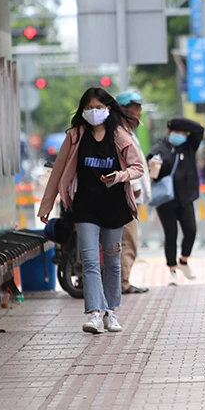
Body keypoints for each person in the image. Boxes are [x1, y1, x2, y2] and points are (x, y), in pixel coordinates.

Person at [37, 87, 144, 334]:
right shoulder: (75, 136)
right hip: (85, 207)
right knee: (90, 261)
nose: (93, 112)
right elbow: (59, 171)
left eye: (98, 107)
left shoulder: (119, 134)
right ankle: (95, 313)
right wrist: (47, 205)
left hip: (115, 207)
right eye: (88, 107)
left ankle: (111, 312)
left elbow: (138, 167)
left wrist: (119, 176)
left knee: (113, 262)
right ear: (82, 110)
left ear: (108, 108)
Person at [146, 117, 205, 286]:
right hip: (166, 200)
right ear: (169, 132)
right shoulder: (158, 150)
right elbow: (150, 174)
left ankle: (183, 261)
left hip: (186, 197)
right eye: (177, 132)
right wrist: (152, 167)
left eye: (183, 133)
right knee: (171, 234)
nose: (181, 135)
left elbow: (199, 129)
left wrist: (175, 122)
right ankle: (172, 270)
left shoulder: (189, 147)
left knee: (191, 230)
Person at [115, 90, 151, 295]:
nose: (139, 112)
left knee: (127, 241)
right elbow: (128, 163)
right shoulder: (120, 132)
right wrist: (136, 187)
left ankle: (122, 281)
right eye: (135, 108)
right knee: (129, 241)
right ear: (124, 110)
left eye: (139, 108)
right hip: (125, 195)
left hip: (128, 196)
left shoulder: (128, 131)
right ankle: (122, 283)